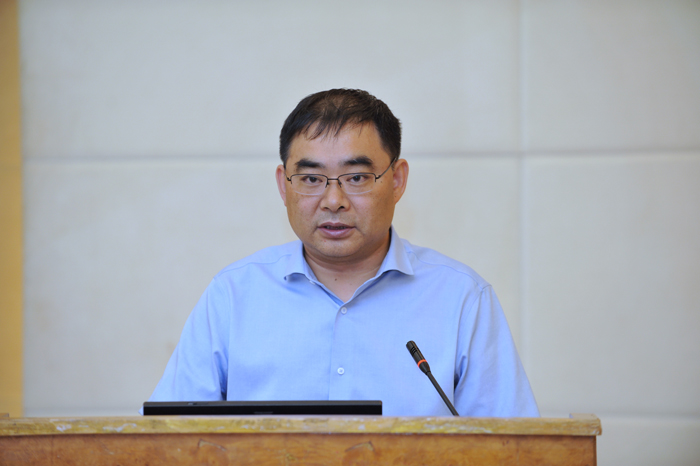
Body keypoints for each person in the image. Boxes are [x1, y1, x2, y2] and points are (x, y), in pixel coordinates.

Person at [147, 89, 539, 417]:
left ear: (397, 180)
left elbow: (515, 449)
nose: (333, 200)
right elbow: (166, 442)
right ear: (284, 185)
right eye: (311, 178)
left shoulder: (462, 298)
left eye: (356, 177)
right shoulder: (233, 296)